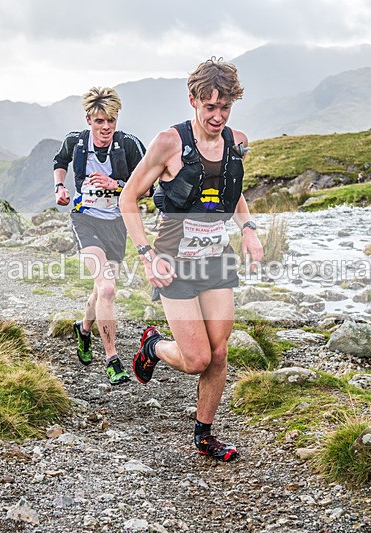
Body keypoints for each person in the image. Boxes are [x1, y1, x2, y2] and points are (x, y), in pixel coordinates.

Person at [119, 58, 264, 461]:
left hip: (217, 258)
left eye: (225, 108)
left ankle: (205, 435)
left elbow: (231, 191)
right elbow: (127, 198)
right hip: (173, 262)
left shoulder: (237, 141)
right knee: (197, 357)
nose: (217, 117)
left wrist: (248, 229)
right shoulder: (169, 143)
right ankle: (153, 346)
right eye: (209, 107)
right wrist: (146, 254)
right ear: (193, 101)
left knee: (219, 353)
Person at [53, 87, 146, 385]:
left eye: (111, 121)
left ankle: (84, 328)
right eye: (99, 121)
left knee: (99, 290)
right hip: (86, 220)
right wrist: (60, 188)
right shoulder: (76, 142)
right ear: (89, 120)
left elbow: (148, 187)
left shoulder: (130, 145)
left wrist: (116, 184)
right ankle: (112, 359)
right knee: (106, 289)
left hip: (117, 225)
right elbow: (59, 161)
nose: (105, 127)